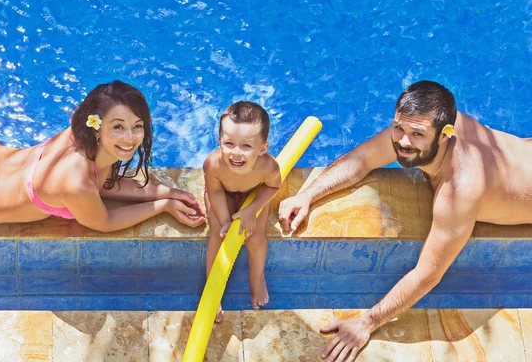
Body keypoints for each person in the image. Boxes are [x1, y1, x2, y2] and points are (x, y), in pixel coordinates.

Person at [279, 80, 532, 362]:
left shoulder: (460, 188)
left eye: (417, 135)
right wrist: (308, 195)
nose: (403, 141)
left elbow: (428, 274)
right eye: (399, 128)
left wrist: (367, 322)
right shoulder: (431, 119)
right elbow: (363, 158)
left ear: (446, 135)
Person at [0, 80, 206, 232]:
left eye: (137, 126)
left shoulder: (82, 127)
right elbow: (104, 221)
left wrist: (165, 192)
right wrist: (161, 206)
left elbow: (105, 185)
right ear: (99, 128)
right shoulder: (75, 182)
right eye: (119, 127)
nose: (131, 138)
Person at [203, 101, 282, 322]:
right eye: (229, 143)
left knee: (255, 236)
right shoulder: (213, 164)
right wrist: (226, 220)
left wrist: (252, 209)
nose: (236, 153)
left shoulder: (268, 167)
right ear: (219, 141)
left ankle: (256, 278)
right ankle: (213, 290)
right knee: (218, 233)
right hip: (222, 195)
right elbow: (215, 192)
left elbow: (273, 186)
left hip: (253, 196)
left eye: (246, 146)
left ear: (262, 149)